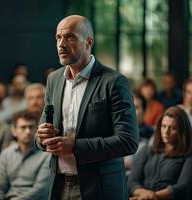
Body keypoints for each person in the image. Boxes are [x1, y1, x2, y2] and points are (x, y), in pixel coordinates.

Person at [35, 15, 139, 199]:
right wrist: (41, 137)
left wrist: (75, 146)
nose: (61, 44)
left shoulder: (114, 82)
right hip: (58, 185)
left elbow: (128, 141)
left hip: (99, 189)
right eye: (58, 38)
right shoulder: (54, 79)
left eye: (70, 37)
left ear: (88, 42)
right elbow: (43, 131)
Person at [128, 106, 192, 200]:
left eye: (173, 128)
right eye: (164, 126)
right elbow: (132, 182)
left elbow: (183, 187)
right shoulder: (147, 149)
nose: (166, 132)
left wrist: (151, 197)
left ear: (182, 130)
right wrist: (146, 195)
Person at [0, 111, 52, 200]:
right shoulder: (6, 154)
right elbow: (0, 187)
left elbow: (40, 190)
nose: (28, 131)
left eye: (31, 127)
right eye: (23, 127)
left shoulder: (46, 155)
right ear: (14, 131)